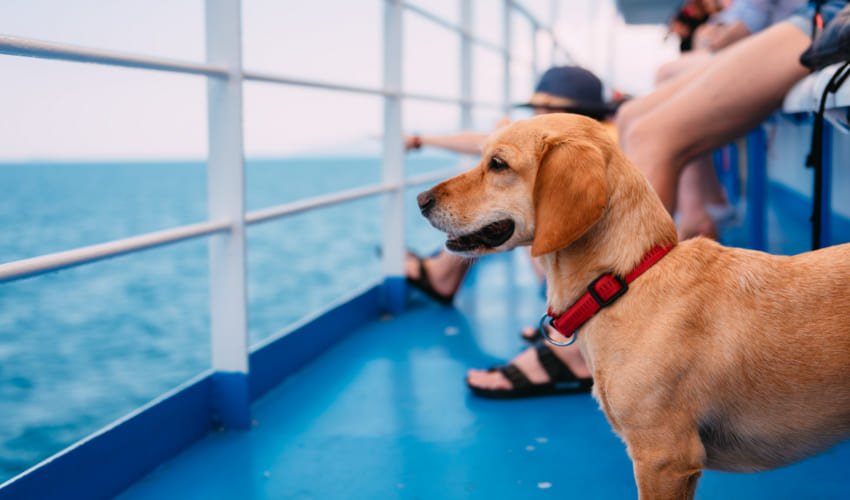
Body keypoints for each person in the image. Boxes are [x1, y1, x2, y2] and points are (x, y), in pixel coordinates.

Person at [466, 1, 848, 398]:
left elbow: (754, 15)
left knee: (653, 135)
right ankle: (697, 217)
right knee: (631, 115)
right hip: (807, 17)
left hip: (824, 17)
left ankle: (579, 345)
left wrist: (717, 32)